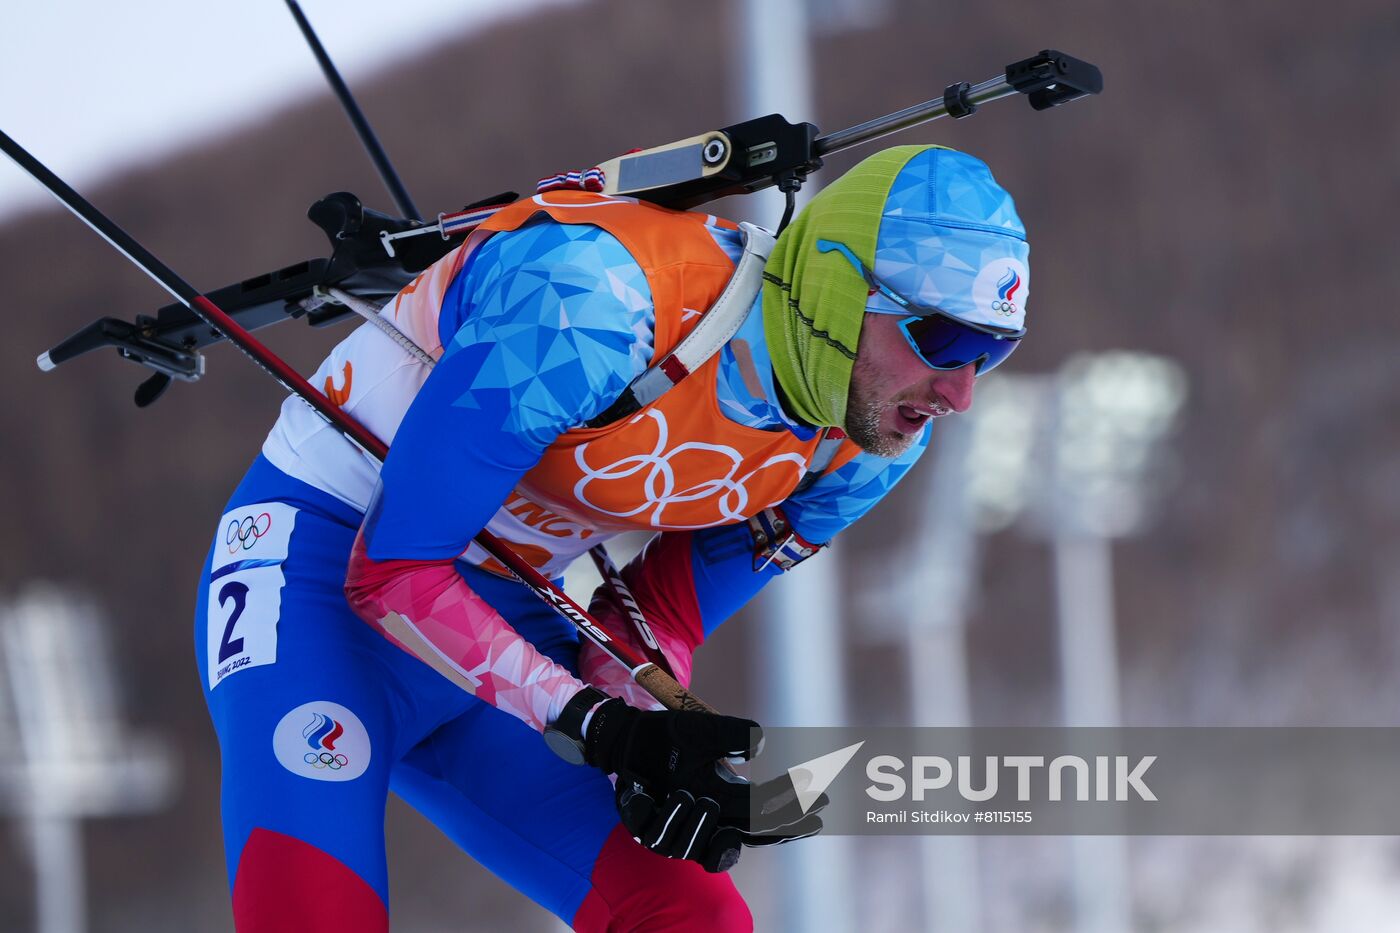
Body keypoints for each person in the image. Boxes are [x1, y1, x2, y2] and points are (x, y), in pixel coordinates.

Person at [194, 143, 1029, 932]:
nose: (960, 392)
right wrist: (598, 726)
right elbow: (394, 573)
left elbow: (657, 613)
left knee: (695, 917)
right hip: (319, 576)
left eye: (990, 352)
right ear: (843, 292)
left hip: (502, 618)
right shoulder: (595, 303)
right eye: (943, 339)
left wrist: (653, 744)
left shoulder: (869, 437)